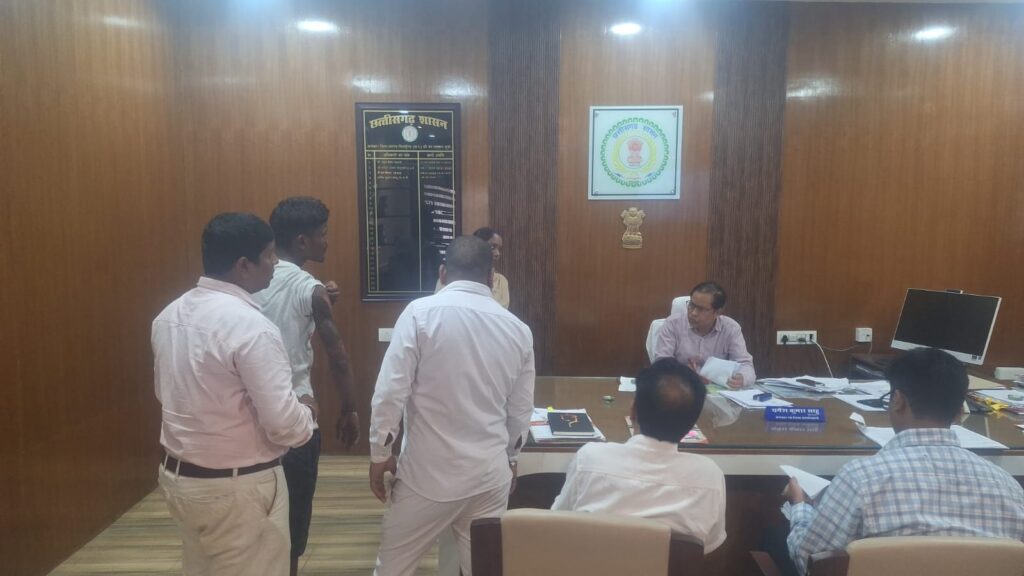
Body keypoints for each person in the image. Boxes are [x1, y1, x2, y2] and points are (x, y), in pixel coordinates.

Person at [153, 212, 318, 576]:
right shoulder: (252, 328)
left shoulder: (168, 315)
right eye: (269, 255)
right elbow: (283, 424)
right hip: (237, 487)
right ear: (244, 265)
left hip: (180, 479)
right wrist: (307, 411)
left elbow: (167, 396)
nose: (275, 263)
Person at [369, 235, 535, 576]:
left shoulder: (419, 314)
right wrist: (512, 459)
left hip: (426, 476)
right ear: (491, 277)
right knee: (485, 569)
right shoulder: (518, 330)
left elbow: (390, 392)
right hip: (488, 475)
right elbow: (520, 410)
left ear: (443, 272)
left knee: (393, 569)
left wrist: (380, 453)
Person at [784, 347, 1024, 575]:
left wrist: (800, 506)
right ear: (960, 411)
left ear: (897, 401)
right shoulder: (1009, 488)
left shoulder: (860, 479)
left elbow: (807, 560)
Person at [254, 197, 360, 576]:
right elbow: (339, 358)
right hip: (296, 417)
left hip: (249, 419)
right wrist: (349, 408)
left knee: (254, 525)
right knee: (292, 525)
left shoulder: (245, 279)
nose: (326, 241)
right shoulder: (310, 289)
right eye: (322, 234)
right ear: (302, 241)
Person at [551, 358, 727, 553]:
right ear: (691, 426)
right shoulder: (710, 476)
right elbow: (709, 544)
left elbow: (559, 522)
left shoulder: (590, 458)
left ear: (633, 411)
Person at [654, 281, 755, 389]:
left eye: (701, 309)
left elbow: (745, 364)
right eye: (691, 305)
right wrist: (684, 372)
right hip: (682, 388)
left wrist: (742, 378)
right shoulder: (673, 324)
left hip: (718, 391)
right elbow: (662, 363)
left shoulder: (731, 328)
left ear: (717, 312)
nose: (693, 313)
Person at [435, 227, 510, 308]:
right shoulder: (450, 277)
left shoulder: (501, 281)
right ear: (476, 246)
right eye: (492, 247)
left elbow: (502, 309)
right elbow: (440, 305)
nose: (497, 253)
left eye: (499, 249)